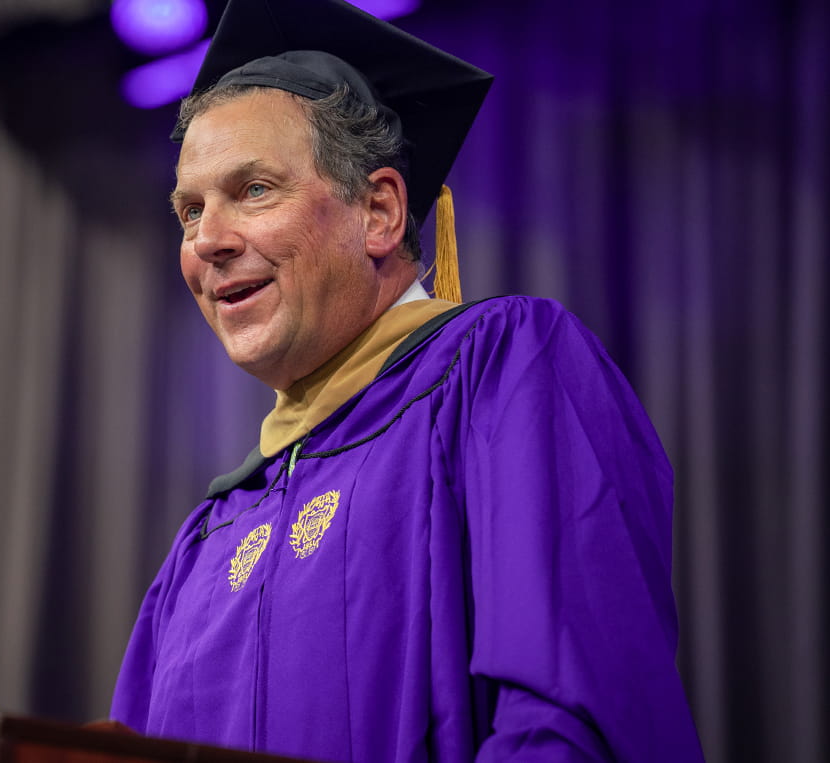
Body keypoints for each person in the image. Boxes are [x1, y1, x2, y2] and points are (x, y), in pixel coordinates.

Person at [108, 0, 705, 760]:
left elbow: (573, 717)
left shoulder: (501, 372)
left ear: (381, 211)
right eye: (190, 210)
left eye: (253, 189)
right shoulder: (210, 537)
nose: (208, 242)